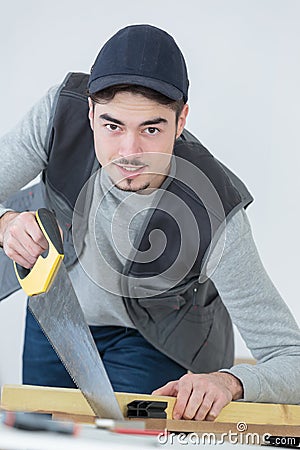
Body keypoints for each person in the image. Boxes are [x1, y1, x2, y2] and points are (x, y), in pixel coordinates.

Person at [0, 24, 299, 422]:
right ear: (89, 113)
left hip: (158, 343)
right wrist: (5, 224)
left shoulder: (215, 210)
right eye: (112, 126)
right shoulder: (58, 114)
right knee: (36, 437)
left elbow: (291, 357)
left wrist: (229, 381)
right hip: (57, 316)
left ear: (181, 121)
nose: (129, 152)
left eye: (152, 129)